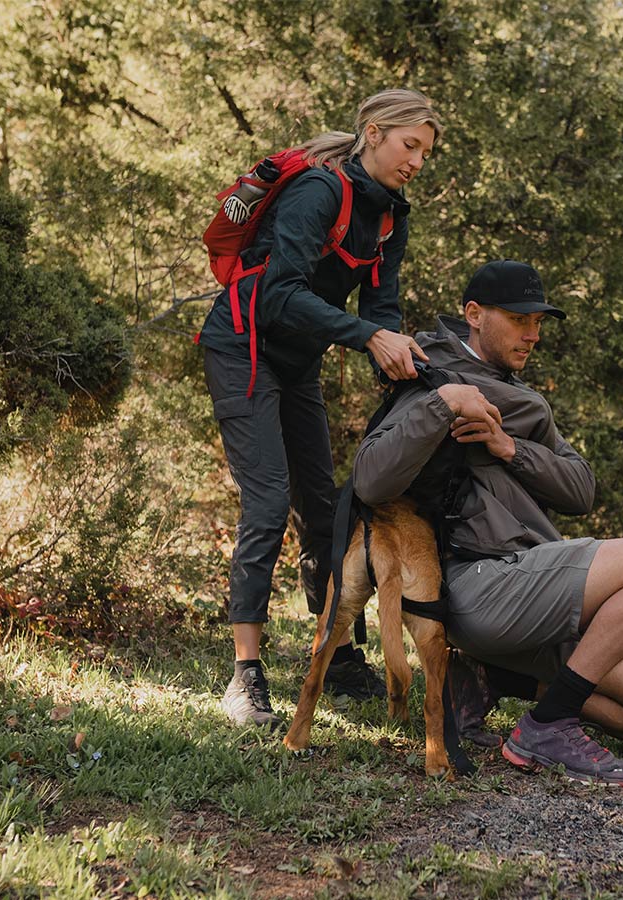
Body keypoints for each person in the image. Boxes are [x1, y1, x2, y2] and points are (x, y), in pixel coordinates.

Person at [351, 260, 623, 785]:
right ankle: (548, 725)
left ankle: (495, 676)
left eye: (539, 322)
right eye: (521, 319)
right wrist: (444, 405)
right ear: (473, 314)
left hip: (528, 582)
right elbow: (368, 479)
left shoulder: (521, 402)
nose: (533, 335)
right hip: (477, 583)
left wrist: (509, 448)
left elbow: (581, 489)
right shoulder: (429, 376)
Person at [198, 89, 442, 727]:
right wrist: (366, 336)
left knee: (325, 508)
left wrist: (396, 351)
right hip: (244, 345)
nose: (416, 160)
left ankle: (335, 656)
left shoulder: (390, 215)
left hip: (297, 363)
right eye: (408, 144)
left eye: (426, 151)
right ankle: (245, 677)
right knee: (270, 501)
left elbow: (381, 308)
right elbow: (279, 293)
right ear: (372, 133)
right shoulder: (320, 193)